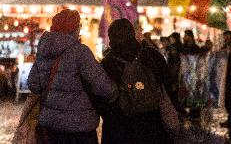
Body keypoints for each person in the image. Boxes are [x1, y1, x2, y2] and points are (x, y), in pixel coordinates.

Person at [27, 9, 118, 144]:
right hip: (79, 127)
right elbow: (103, 87)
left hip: (51, 126)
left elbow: (33, 84)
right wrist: (115, 93)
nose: (80, 30)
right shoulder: (80, 52)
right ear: (73, 29)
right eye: (78, 26)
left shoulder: (43, 51)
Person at [101, 19, 174, 144]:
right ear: (132, 34)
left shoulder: (108, 63)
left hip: (121, 126)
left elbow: (102, 95)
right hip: (153, 123)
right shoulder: (151, 54)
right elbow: (168, 82)